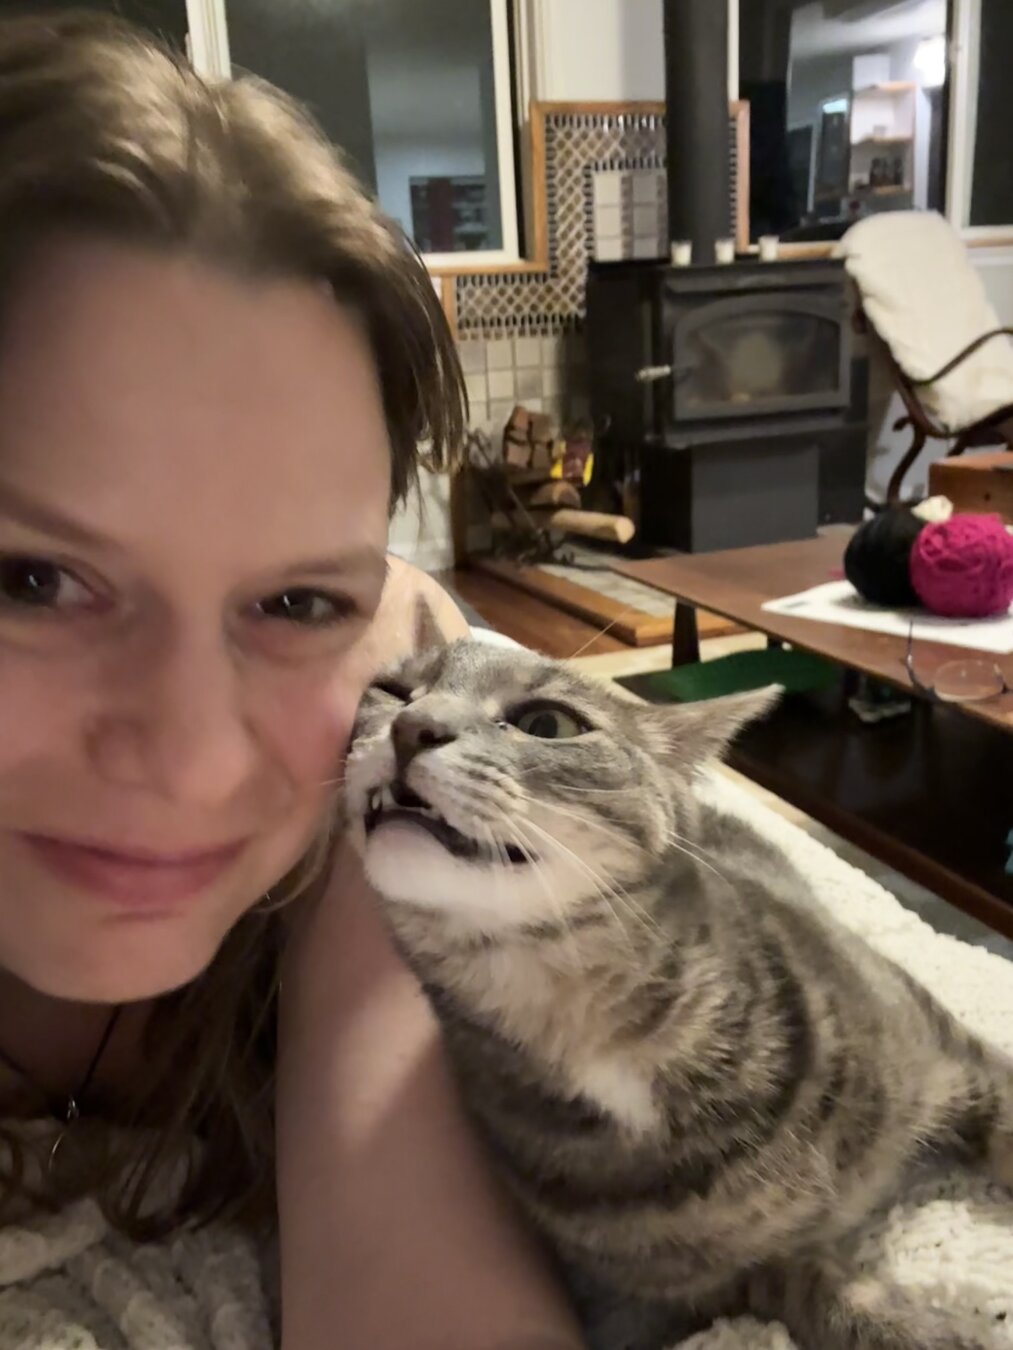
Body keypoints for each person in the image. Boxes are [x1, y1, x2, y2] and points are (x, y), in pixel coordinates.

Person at [0, 11, 582, 1349]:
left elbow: (415, 1274)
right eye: (31, 579)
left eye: (294, 598)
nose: (200, 760)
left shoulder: (383, 733)